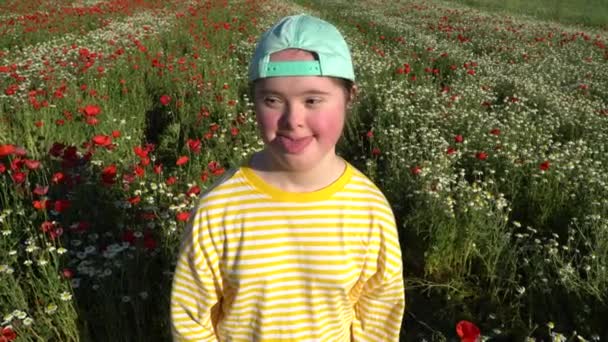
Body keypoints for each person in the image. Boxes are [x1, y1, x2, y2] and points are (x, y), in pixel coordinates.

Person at [170, 14, 405, 341]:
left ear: (350, 97)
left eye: (312, 100)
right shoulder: (219, 208)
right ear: (253, 102)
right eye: (272, 100)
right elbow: (191, 318)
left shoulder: (369, 209)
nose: (292, 119)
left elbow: (378, 311)